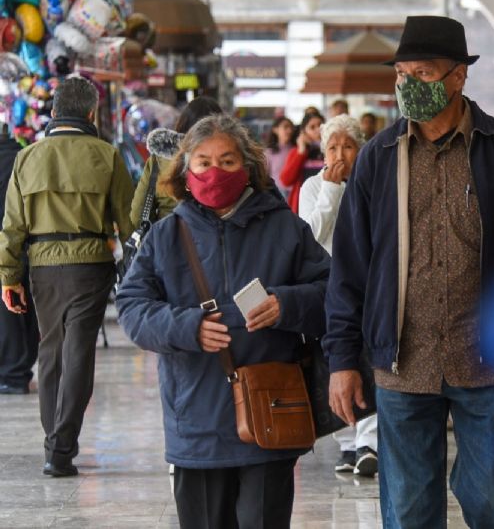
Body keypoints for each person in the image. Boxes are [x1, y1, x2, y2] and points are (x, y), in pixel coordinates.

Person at [324, 15, 494, 527]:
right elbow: (350, 268)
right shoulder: (378, 158)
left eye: (423, 74)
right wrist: (341, 360)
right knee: (407, 510)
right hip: (404, 362)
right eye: (402, 74)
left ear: (458, 77)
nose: (409, 85)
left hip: (489, 361)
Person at [116, 114, 330, 528]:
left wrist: (286, 304)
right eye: (203, 162)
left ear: (248, 167)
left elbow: (333, 293)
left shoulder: (286, 228)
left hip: (271, 414)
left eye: (228, 162)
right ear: (185, 170)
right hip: (196, 420)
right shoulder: (164, 236)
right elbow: (132, 307)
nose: (215, 172)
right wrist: (186, 327)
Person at [0, 76, 134, 477]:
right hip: (91, 265)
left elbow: (11, 227)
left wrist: (9, 278)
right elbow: (127, 224)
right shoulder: (106, 155)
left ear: (54, 112)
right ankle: (61, 447)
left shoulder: (27, 158)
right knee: (78, 353)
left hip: (42, 268)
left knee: (51, 350)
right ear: (92, 113)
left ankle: (54, 445)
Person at [298, 114, 379, 476]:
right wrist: (331, 192)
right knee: (334, 361)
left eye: (348, 145)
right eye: (333, 147)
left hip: (366, 285)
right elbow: (310, 237)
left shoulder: (370, 183)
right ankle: (346, 444)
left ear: (360, 149)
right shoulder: (313, 187)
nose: (341, 153)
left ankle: (370, 442)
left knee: (367, 359)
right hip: (327, 286)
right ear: (323, 152)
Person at [130, 96, 223, 228]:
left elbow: (137, 215)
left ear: (182, 123)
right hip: (214, 242)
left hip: (167, 241)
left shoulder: (160, 160)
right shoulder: (226, 161)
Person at [0, 123, 38, 395]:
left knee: (7, 312)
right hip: (28, 243)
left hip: (5, 243)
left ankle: (13, 374)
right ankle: (22, 367)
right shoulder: (23, 158)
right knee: (24, 306)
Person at [280, 112, 325, 214]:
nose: (318, 130)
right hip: (303, 205)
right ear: (304, 132)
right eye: (312, 127)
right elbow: (286, 180)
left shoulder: (332, 150)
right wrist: (301, 151)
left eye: (320, 125)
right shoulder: (297, 152)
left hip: (326, 201)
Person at [265, 116, 296, 197]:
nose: (289, 130)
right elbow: (265, 176)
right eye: (285, 127)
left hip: (295, 192)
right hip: (277, 193)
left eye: (291, 127)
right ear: (275, 129)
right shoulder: (269, 152)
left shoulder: (297, 150)